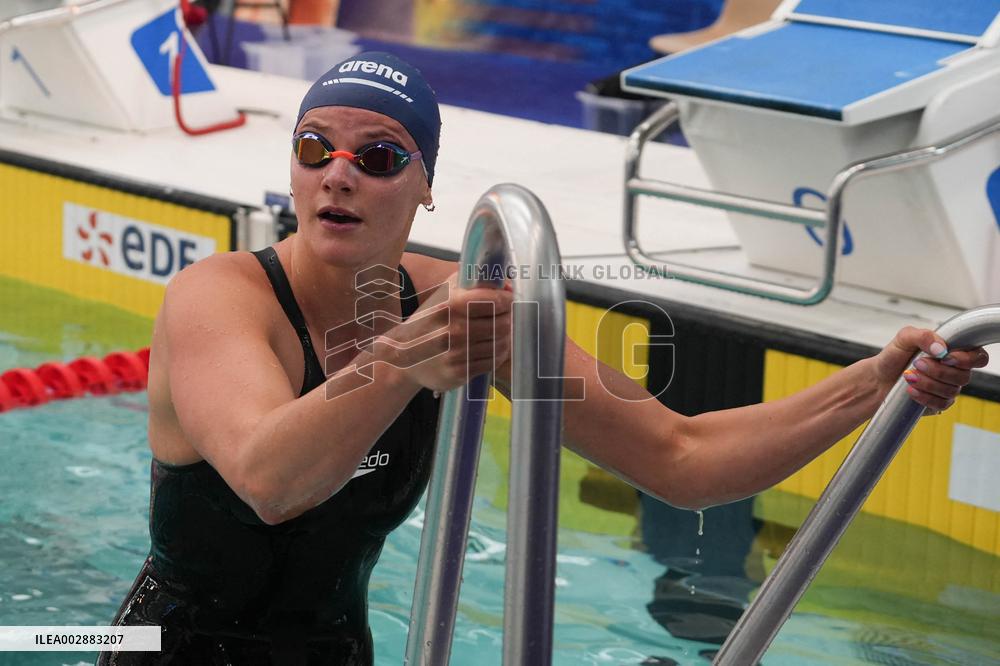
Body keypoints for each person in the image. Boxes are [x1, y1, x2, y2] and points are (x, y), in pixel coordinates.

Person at [100, 51, 989, 665]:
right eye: (313, 148)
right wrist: (404, 358)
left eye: (376, 156)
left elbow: (682, 461)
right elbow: (269, 479)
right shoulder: (219, 296)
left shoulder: (463, 305)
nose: (338, 175)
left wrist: (874, 384)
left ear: (426, 187)